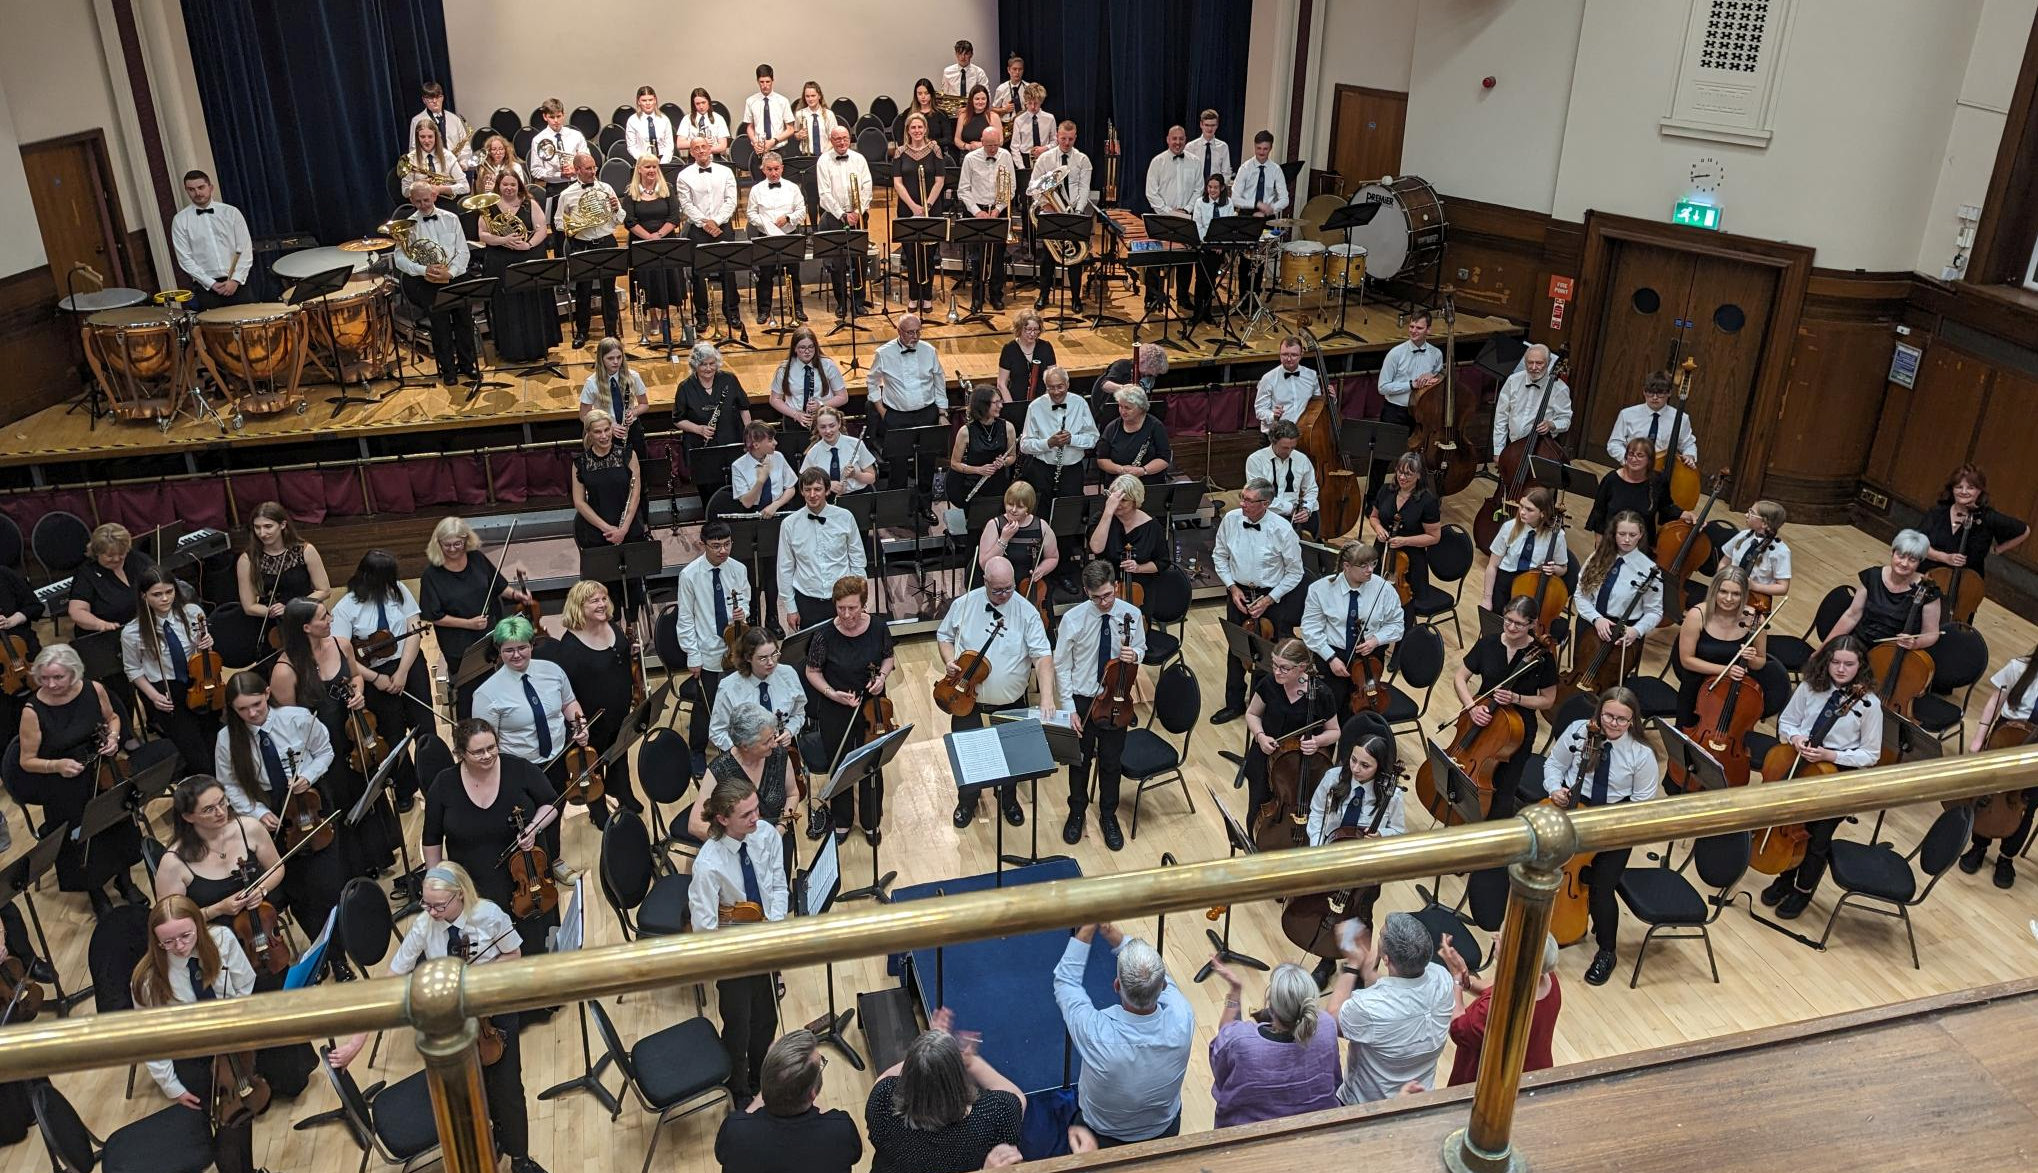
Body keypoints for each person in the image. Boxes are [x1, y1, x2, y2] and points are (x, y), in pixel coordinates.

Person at [328, 863, 548, 1173]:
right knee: (469, 1093)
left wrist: (474, 977)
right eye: (425, 903)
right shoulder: (424, 926)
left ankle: (520, 1159)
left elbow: (513, 955)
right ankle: (489, 1140)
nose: (430, 912)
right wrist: (355, 1042)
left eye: (438, 906)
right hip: (453, 1022)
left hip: (494, 1016)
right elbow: (388, 983)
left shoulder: (488, 915)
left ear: (460, 896)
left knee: (508, 1088)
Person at [269, 597, 396, 888]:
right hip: (322, 748)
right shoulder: (284, 671)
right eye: (323, 617)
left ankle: (378, 854)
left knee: (365, 790)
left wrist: (358, 694)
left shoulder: (341, 644)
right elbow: (287, 722)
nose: (330, 620)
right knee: (338, 798)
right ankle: (354, 868)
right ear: (305, 627)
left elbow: (355, 677)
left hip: (353, 732)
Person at [131, 895, 263, 1173]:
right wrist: (171, 1086)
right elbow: (151, 1040)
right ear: (156, 941)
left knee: (243, 1109)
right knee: (224, 1122)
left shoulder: (222, 940)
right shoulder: (148, 980)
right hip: (191, 1054)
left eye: (186, 936)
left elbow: (246, 985)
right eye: (168, 942)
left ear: (199, 927)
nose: (179, 947)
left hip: (232, 1039)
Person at [10, 645, 143, 915]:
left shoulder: (93, 689)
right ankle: (95, 891)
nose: (51, 684)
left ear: (74, 673)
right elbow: (26, 760)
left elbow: (113, 718)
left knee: (117, 822)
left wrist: (113, 738)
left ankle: (125, 879)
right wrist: (56, 765)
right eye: (44, 678)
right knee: (81, 837)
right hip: (63, 781)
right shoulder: (32, 711)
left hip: (101, 770)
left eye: (58, 677)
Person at [1759, 636, 1883, 920]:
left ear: (1860, 666)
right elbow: (1787, 722)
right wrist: (1796, 738)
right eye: (1835, 662)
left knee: (1817, 838)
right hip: (1800, 762)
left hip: (1837, 772)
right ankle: (1785, 877)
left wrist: (1831, 755)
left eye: (1849, 664)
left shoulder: (1869, 704)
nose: (1841, 669)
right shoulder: (1809, 687)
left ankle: (1803, 890)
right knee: (1792, 824)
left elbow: (1870, 754)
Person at [211, 670, 345, 929]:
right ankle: (321, 943)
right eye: (242, 709)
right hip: (271, 807)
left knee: (327, 881)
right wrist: (257, 812)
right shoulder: (226, 739)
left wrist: (308, 776)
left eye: (256, 704)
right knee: (298, 888)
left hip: (311, 799)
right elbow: (229, 785)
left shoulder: (298, 718)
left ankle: (340, 933)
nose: (252, 714)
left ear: (267, 694)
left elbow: (325, 752)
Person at [1544, 686, 1657, 984]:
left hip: (1613, 822)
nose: (1613, 724)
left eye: (1622, 719)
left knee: (1601, 888)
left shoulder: (1641, 755)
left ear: (1632, 720)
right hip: (1572, 809)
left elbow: (1642, 806)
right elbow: (1554, 764)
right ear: (1599, 712)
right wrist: (1555, 788)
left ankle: (1607, 951)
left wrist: (1611, 826)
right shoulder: (1579, 731)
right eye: (1608, 716)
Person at [423, 719, 562, 958]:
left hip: (526, 881)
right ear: (461, 753)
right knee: (487, 954)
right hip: (474, 887)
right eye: (478, 752)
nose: (487, 755)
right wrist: (435, 885)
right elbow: (431, 839)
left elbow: (551, 803)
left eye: (492, 748)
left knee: (536, 949)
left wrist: (533, 827)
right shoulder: (444, 784)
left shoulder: (519, 769)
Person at [690, 772, 789, 1100]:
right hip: (734, 956)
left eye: (756, 809)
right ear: (722, 819)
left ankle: (761, 1078)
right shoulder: (708, 866)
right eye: (747, 814)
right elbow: (704, 930)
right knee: (738, 1027)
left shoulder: (766, 836)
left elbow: (778, 885)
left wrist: (773, 929)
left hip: (766, 944)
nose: (757, 818)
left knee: (766, 1019)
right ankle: (739, 1090)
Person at [938, 556, 1055, 828]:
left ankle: (1008, 800)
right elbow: (944, 636)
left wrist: (1047, 697)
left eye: (1009, 588)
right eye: (997, 590)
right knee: (969, 755)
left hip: (1010, 703)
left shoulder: (1026, 612)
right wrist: (949, 660)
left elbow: (1042, 657)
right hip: (966, 699)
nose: (1004, 595)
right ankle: (968, 801)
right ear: (985, 582)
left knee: (1010, 757)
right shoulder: (964, 604)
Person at [1055, 923, 1195, 1150]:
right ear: (1163, 986)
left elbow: (1066, 982)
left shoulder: (1096, 1034)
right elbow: (1159, 978)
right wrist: (1114, 935)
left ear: (1116, 985)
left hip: (1100, 1138)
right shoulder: (1182, 1016)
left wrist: (1087, 928)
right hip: (1164, 1131)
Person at [1055, 562, 1146, 850]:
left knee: (1110, 762)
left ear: (1115, 586)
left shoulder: (1132, 615)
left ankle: (1108, 815)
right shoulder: (1073, 619)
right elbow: (1061, 666)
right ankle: (1076, 812)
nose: (1104, 602)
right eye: (1096, 598)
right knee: (1079, 762)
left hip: (1116, 698)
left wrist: (1135, 655)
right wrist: (1068, 707)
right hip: (1083, 700)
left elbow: (1141, 648)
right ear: (1086, 592)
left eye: (1108, 595)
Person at [864, 1011, 1023, 1173]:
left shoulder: (883, 1098)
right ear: (958, 1076)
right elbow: (1017, 1098)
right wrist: (971, 1062)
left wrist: (927, 1056)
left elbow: (883, 1078)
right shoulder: (994, 1113)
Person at [331, 549, 428, 810]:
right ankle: (405, 788)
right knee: (392, 733)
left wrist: (403, 671)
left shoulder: (398, 591)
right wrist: (376, 678)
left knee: (425, 726)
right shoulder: (345, 608)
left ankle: (434, 782)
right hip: (372, 673)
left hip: (408, 664)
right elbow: (345, 654)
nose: (391, 584)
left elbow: (414, 629)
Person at [540, 580, 643, 824]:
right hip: (591, 716)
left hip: (619, 709)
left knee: (619, 751)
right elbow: (566, 691)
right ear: (579, 606)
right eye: (594, 600)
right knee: (592, 762)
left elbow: (618, 658)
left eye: (603, 598)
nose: (602, 604)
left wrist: (630, 653)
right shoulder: (569, 647)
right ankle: (597, 809)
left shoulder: (611, 626)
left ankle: (622, 791)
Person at [1328, 911, 1454, 1103]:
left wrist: (1352, 965)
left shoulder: (1368, 1009)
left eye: (1380, 936)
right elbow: (1398, 995)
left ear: (1386, 960)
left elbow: (1330, 1021)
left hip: (1369, 1104)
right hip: (1421, 1095)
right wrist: (1368, 970)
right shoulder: (1443, 979)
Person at [804, 576, 894, 841]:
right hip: (836, 707)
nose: (846, 615)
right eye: (841, 608)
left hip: (874, 706)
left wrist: (882, 678)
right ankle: (842, 820)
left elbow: (888, 658)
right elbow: (812, 671)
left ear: (863, 605)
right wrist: (832, 693)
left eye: (852, 608)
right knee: (840, 761)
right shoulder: (824, 635)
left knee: (872, 761)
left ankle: (870, 821)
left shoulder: (878, 627)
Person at [1452, 597, 1559, 818]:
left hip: (1517, 732)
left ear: (1532, 623)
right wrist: (1471, 707)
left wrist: (1516, 698)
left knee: (1503, 792)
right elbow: (1460, 678)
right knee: (1461, 775)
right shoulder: (1488, 644)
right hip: (1481, 718)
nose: (1511, 627)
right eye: (1508, 620)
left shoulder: (1543, 657)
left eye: (1519, 624)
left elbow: (1548, 700)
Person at [419, 516, 533, 719]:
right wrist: (468, 624)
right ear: (438, 543)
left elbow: (498, 586)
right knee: (470, 692)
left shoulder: (477, 559)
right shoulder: (431, 575)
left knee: (498, 683)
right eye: (447, 545)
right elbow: (434, 615)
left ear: (466, 539)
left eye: (457, 543)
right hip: (459, 645)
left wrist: (517, 595)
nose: (452, 549)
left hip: (490, 635)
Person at [1211, 478, 1305, 723]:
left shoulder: (1282, 530)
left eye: (1248, 500)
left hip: (1271, 596)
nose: (1242, 503)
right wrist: (1232, 588)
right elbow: (1219, 556)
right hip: (1238, 593)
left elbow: (1295, 572)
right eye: (1242, 497)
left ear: (1265, 503)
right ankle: (1233, 704)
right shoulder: (1230, 520)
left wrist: (1269, 600)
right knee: (1236, 649)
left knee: (1268, 654)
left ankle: (1260, 706)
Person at [1206, 960, 1341, 1128]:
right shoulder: (1327, 1025)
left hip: (1248, 1134)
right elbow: (1335, 1080)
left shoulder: (1241, 1042)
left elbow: (1222, 1051)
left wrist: (1235, 990)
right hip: (1318, 1127)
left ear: (1271, 1004)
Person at [714, 1029, 863, 1173]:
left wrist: (771, 1074)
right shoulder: (840, 1130)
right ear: (812, 1094)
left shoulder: (735, 1131)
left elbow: (721, 1155)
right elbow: (854, 1155)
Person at [122, 563, 220, 773]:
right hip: (165, 689)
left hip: (199, 681)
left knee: (212, 737)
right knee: (193, 748)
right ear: (144, 596)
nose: (165, 599)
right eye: (157, 594)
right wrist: (154, 697)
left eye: (169, 591)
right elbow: (133, 669)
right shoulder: (132, 632)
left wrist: (207, 644)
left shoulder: (193, 612)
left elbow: (205, 655)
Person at [475, 616, 586, 799]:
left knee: (557, 807)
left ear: (532, 645)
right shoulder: (485, 694)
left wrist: (580, 724)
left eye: (522, 648)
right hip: (519, 769)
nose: (516, 655)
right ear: (499, 650)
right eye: (509, 650)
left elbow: (568, 703)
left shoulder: (553, 670)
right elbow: (486, 742)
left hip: (559, 758)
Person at [1240, 639, 1342, 828]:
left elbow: (1335, 731)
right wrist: (1260, 736)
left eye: (1284, 668)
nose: (1277, 671)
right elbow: (1252, 714)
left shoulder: (1322, 693)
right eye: (1274, 665)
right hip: (1265, 758)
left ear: (1301, 667)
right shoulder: (1269, 683)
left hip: (1301, 767)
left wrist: (1317, 741)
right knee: (1257, 810)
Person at [1440, 929, 1561, 1087]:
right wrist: (1466, 980)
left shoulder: (1497, 1008)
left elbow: (1459, 1029)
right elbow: (1494, 986)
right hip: (1535, 1068)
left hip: (1494, 1080)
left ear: (1512, 958)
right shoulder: (1545, 977)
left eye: (1501, 938)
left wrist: (1456, 981)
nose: (1495, 936)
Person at [1962, 645, 2038, 887]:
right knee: (1988, 795)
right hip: (2006, 737)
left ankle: (2006, 858)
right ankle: (1978, 846)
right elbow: (1996, 700)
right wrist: (1979, 738)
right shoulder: (2019, 668)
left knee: (2026, 805)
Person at [1301, 543, 1405, 714]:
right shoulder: (1320, 589)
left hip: (1370, 659)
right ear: (1346, 566)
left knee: (1365, 708)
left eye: (1373, 563)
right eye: (1363, 565)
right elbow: (1310, 629)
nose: (1370, 570)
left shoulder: (1384, 589)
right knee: (1330, 709)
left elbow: (1397, 625)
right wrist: (1330, 658)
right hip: (1333, 655)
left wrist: (1376, 640)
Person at [394, 180, 477, 383]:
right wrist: (424, 270)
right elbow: (400, 259)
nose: (423, 205)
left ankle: (468, 365)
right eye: (418, 201)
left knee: (464, 322)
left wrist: (451, 273)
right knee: (440, 327)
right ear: (411, 201)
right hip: (427, 281)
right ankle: (448, 370)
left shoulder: (451, 218)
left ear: (434, 196)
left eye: (426, 200)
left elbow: (463, 251)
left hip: (454, 277)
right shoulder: (407, 226)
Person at [478, 169, 557, 362]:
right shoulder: (489, 206)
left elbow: (541, 229)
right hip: (501, 260)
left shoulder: (529, 203)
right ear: (499, 186)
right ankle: (512, 350)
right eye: (505, 184)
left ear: (518, 185)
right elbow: (482, 234)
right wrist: (503, 240)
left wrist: (528, 244)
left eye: (512, 184)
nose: (509, 188)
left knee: (532, 304)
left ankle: (538, 347)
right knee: (509, 307)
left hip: (527, 255)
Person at [1674, 567, 1768, 727]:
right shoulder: (1697, 615)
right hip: (1696, 688)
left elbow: (1761, 662)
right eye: (1723, 591)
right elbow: (1686, 660)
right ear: (1714, 590)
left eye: (1736, 594)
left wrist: (1751, 659)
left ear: (1744, 595)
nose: (1729, 599)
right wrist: (1726, 670)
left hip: (1732, 693)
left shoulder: (1755, 619)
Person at [1826, 529, 1943, 651]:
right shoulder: (1873, 576)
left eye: (1912, 560)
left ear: (1919, 562)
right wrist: (1824, 649)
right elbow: (1852, 616)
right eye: (1901, 556)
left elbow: (1931, 634)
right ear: (1892, 552)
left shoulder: (1929, 589)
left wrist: (1916, 643)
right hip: (1858, 645)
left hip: (1892, 652)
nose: (1904, 563)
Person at [1575, 511, 1667, 667]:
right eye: (1622, 534)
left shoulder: (1650, 570)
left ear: (1640, 535)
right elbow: (1580, 594)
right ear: (1614, 534)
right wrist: (1596, 619)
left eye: (1632, 535)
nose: (1627, 539)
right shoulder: (1597, 557)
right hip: (1590, 623)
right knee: (1579, 670)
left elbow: (1655, 611)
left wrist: (1637, 630)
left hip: (1623, 634)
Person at [554, 152, 626, 349]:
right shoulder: (567, 194)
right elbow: (558, 222)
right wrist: (577, 224)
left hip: (606, 242)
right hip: (582, 244)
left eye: (594, 167)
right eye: (588, 168)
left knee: (608, 289)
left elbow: (620, 219)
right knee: (583, 291)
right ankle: (582, 331)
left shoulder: (606, 188)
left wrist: (615, 209)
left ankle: (611, 330)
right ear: (577, 170)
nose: (593, 172)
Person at [778, 471, 866, 630]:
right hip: (807, 600)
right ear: (802, 491)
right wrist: (791, 608)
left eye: (817, 489)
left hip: (843, 598)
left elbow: (857, 560)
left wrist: (861, 599)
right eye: (807, 489)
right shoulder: (789, 524)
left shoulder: (845, 517)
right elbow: (785, 568)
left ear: (827, 490)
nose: (812, 495)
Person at [676, 139, 745, 340]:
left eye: (704, 147)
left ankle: (732, 312)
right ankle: (702, 316)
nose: (701, 151)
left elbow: (731, 200)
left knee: (728, 271)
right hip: (698, 230)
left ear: (710, 148)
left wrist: (716, 221)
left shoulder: (725, 172)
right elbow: (686, 204)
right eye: (696, 148)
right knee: (699, 274)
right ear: (691, 152)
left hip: (723, 227)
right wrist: (704, 223)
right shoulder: (684, 175)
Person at [1923, 463, 2029, 585]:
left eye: (1970, 488)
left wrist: (1997, 550)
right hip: (1929, 577)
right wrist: (1945, 557)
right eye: (1959, 487)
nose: (1964, 492)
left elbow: (2024, 530)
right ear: (1952, 489)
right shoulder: (1938, 512)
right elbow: (1917, 546)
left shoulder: (1988, 517)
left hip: (1966, 584)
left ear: (1980, 490)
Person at [866, 315, 946, 477]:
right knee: (897, 463)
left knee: (928, 461)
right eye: (910, 332)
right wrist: (882, 411)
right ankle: (898, 493)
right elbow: (872, 382)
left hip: (927, 413)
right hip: (897, 416)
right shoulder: (884, 353)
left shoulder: (929, 350)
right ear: (899, 331)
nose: (915, 336)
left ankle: (926, 493)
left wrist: (942, 413)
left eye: (918, 332)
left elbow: (939, 381)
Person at [710, 628, 805, 759]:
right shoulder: (728, 687)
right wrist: (744, 750)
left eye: (774, 654)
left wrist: (790, 730)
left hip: (782, 751)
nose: (771, 662)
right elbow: (717, 732)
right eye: (763, 658)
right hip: (746, 757)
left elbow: (799, 714)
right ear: (748, 658)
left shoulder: (788, 674)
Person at [234, 500, 330, 626]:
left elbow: (324, 590)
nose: (262, 533)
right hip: (271, 619)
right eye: (257, 527)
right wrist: (273, 611)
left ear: (282, 525)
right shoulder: (247, 559)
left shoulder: (305, 550)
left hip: (305, 615)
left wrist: (291, 608)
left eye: (268, 526)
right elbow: (249, 606)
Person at [621, 153, 684, 344]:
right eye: (647, 167)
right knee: (646, 280)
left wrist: (659, 235)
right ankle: (653, 317)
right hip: (641, 243)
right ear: (639, 169)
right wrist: (648, 237)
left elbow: (674, 217)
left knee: (667, 278)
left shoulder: (667, 189)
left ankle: (665, 315)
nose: (651, 170)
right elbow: (629, 220)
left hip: (665, 241)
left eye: (654, 167)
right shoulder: (631, 192)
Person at [170, 170, 253, 310]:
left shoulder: (232, 213)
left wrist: (235, 280)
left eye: (201, 187)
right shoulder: (180, 220)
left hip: (238, 284)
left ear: (211, 187)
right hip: (206, 289)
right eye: (191, 189)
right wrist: (211, 283)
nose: (197, 193)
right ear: (187, 191)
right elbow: (184, 259)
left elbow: (245, 249)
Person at [1032, 120, 1093, 308]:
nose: (1066, 143)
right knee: (1047, 258)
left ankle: (1075, 298)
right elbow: (1034, 186)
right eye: (1063, 138)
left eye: (1070, 139)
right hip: (1050, 212)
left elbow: (1084, 188)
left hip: (1073, 213)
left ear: (1075, 138)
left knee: (1076, 260)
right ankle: (1043, 295)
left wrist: (1078, 211)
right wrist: (1046, 204)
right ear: (1057, 136)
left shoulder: (1082, 160)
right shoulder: (1045, 158)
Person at [958, 124, 1017, 312]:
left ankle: (996, 296)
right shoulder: (970, 159)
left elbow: (1011, 187)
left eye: (996, 145)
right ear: (982, 142)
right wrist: (977, 211)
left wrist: (998, 209)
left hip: (998, 211)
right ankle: (977, 297)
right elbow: (963, 190)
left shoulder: (1005, 156)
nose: (993, 149)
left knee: (998, 257)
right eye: (989, 145)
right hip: (977, 212)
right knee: (977, 258)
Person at [570, 409, 646, 556]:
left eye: (607, 430)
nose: (604, 436)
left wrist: (623, 529)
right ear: (589, 433)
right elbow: (579, 502)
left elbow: (635, 495)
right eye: (598, 432)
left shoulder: (629, 455)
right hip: (597, 531)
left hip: (629, 527)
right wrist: (607, 529)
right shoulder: (580, 463)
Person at [816, 126, 874, 318]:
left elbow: (867, 187)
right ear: (831, 140)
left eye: (845, 138)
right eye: (837, 139)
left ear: (850, 139)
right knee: (837, 262)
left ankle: (858, 302)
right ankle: (841, 302)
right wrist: (842, 214)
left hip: (858, 215)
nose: (842, 142)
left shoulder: (859, 159)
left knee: (860, 259)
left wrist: (857, 211)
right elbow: (824, 193)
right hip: (835, 217)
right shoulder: (823, 161)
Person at [1482, 486, 1568, 615]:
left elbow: (1563, 568)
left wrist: (1554, 569)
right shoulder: (1509, 527)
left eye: (1529, 509)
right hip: (1505, 582)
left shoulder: (1557, 536)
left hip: (1533, 586)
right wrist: (1487, 598)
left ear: (1542, 513)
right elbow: (1492, 565)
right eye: (1521, 506)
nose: (1522, 512)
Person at [1586, 437, 1688, 546]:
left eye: (1640, 455)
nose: (1634, 459)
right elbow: (1599, 513)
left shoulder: (1658, 481)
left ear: (1649, 459)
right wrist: (1600, 545)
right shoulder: (1611, 479)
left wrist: (1685, 514)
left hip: (1642, 544)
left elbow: (1666, 507)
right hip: (1611, 543)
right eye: (1631, 454)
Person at [748, 151, 810, 328]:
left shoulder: (793, 188)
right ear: (763, 170)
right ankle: (764, 310)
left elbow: (801, 211)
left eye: (776, 169)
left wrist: (789, 218)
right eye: (769, 169)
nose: (774, 173)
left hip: (789, 235)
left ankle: (797, 308)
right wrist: (765, 223)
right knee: (765, 276)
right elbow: (751, 213)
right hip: (766, 237)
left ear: (782, 168)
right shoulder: (756, 190)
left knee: (793, 274)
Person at [945, 384, 1017, 534]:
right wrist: (979, 470)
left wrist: (1003, 462)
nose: (1001, 405)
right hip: (972, 486)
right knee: (976, 530)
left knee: (997, 529)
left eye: (1000, 401)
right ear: (983, 405)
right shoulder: (965, 432)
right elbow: (954, 464)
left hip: (998, 486)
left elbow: (1012, 457)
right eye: (996, 402)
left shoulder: (1008, 427)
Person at [893, 113, 947, 313]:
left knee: (929, 254)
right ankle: (914, 295)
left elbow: (940, 180)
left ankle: (927, 296)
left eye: (920, 127)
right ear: (908, 130)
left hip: (931, 208)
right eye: (913, 127)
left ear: (925, 129)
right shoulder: (900, 151)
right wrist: (914, 207)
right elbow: (897, 182)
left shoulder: (935, 149)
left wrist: (927, 205)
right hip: (907, 209)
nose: (917, 131)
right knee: (911, 255)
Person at [1368, 450, 1442, 595]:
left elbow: (1434, 537)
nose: (1402, 477)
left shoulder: (1428, 501)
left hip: (1410, 562)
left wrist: (1405, 541)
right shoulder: (1385, 490)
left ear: (1419, 475)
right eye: (1400, 472)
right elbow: (1374, 517)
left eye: (1408, 474)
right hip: (1381, 553)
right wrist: (1378, 529)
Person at [1019, 364, 1095, 503]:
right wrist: (1048, 443)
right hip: (1042, 470)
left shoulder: (1080, 403)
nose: (1056, 392)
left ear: (1067, 384)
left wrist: (1072, 439)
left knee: (1070, 509)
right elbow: (1024, 445)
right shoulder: (1035, 407)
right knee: (1042, 509)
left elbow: (1093, 438)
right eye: (1051, 387)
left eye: (1060, 387)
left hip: (1072, 470)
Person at [980, 483, 1060, 609]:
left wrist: (1041, 569)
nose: (1013, 509)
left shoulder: (1041, 526)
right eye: (1010, 504)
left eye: (1020, 506)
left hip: (1029, 587)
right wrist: (1004, 539)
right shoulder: (994, 525)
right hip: (1000, 589)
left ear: (1029, 507)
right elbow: (984, 564)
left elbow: (1052, 557)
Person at [675, 339, 752, 468]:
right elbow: (678, 419)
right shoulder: (685, 387)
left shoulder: (729, 379)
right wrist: (699, 429)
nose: (708, 368)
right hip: (701, 446)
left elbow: (744, 408)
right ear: (695, 365)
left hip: (731, 441)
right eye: (703, 364)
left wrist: (749, 434)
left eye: (712, 364)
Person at [67, 522, 155, 635]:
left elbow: (161, 581)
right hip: (107, 634)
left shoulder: (137, 559)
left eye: (121, 553)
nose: (117, 559)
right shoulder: (86, 573)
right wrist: (101, 625)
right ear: (97, 552)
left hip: (143, 627)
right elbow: (76, 611)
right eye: (110, 556)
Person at [1489, 343, 1572, 462]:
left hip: (1541, 448)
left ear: (1548, 363)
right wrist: (1498, 450)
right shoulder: (1513, 380)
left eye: (1539, 363)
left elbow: (1566, 420)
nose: (1533, 367)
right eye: (1530, 362)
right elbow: (1501, 417)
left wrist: (1551, 424)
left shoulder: (1560, 388)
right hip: (1513, 446)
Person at [1146, 126, 1198, 309]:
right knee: (1155, 259)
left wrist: (1186, 210)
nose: (1177, 142)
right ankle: (1152, 298)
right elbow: (1151, 192)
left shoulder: (1195, 162)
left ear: (1185, 140)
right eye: (1174, 138)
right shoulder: (1157, 162)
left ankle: (1183, 298)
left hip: (1185, 217)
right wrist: (1168, 212)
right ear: (1168, 139)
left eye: (1181, 139)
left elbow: (1199, 189)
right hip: (1162, 218)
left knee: (1185, 260)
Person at [769, 328, 846, 451]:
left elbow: (843, 397)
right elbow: (774, 399)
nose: (807, 351)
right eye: (802, 348)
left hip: (823, 421)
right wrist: (796, 414)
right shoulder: (784, 368)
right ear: (794, 348)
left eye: (811, 347)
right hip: (795, 422)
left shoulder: (827, 365)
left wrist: (821, 405)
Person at [1088, 474, 1168, 587]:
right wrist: (1108, 512)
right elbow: (1096, 548)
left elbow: (1162, 562)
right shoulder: (1101, 518)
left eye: (1123, 500)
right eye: (1115, 499)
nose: (1117, 504)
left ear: (1135, 500)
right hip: (1106, 584)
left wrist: (1138, 568)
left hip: (1140, 586)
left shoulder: (1152, 526)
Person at [1606, 370, 1698, 467]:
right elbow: (1614, 443)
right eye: (1650, 393)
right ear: (1644, 392)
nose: (1654, 397)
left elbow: (1688, 444)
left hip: (1663, 469)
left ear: (1669, 393)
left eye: (1660, 393)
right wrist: (1628, 459)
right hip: (1631, 468)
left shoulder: (1681, 418)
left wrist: (1689, 455)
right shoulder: (1627, 414)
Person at [1246, 420, 1319, 536]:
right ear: (1273, 441)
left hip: (1296, 517)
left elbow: (1311, 489)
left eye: (1292, 447)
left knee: (1312, 526)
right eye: (1285, 448)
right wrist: (1291, 508)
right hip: (1267, 514)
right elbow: (1259, 495)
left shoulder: (1302, 459)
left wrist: (1306, 509)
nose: (1289, 452)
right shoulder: (1256, 460)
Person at [1718, 500, 1792, 611]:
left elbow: (1783, 587)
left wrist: (1755, 586)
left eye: (1751, 513)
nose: (1746, 515)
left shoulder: (1781, 551)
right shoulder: (1742, 536)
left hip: (1754, 600)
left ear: (1764, 523)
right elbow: (1724, 562)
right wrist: (1722, 581)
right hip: (1728, 591)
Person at [1376, 310, 1443, 428]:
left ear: (1428, 330)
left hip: (1422, 413)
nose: (1413, 331)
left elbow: (1439, 375)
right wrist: (1411, 385)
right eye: (1411, 326)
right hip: (1395, 413)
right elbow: (1382, 387)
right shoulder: (1395, 354)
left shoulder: (1436, 354)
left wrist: (1433, 375)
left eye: (1419, 328)